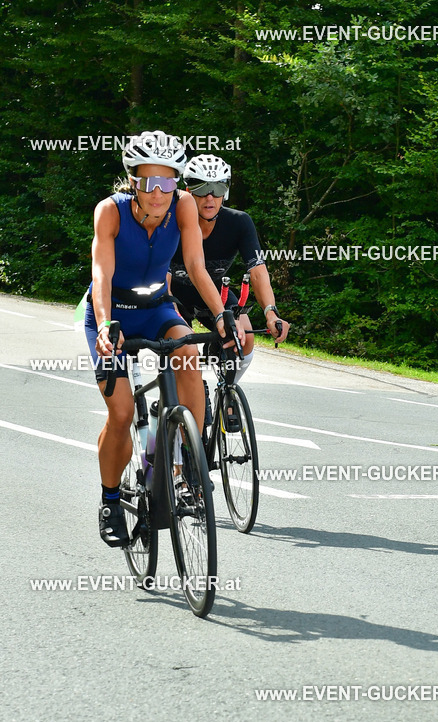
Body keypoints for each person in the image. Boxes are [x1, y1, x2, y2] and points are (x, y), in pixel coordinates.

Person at [87, 131, 244, 547]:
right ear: (133, 181)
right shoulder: (111, 211)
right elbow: (100, 275)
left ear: (177, 182)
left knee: (188, 353)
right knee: (121, 414)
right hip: (112, 314)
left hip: (157, 307)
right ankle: (110, 500)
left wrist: (220, 314)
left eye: (168, 182)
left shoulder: (185, 205)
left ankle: (190, 462)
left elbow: (195, 264)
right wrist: (105, 326)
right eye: (149, 182)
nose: (159, 193)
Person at [168, 154, 289, 384]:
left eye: (218, 188)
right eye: (201, 189)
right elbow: (161, 277)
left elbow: (258, 270)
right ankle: (170, 400)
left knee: (245, 338)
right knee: (183, 351)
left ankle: (227, 394)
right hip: (175, 294)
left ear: (227, 191)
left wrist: (271, 312)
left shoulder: (239, 222)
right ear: (187, 190)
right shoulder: (171, 220)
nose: (210, 197)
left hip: (214, 293)